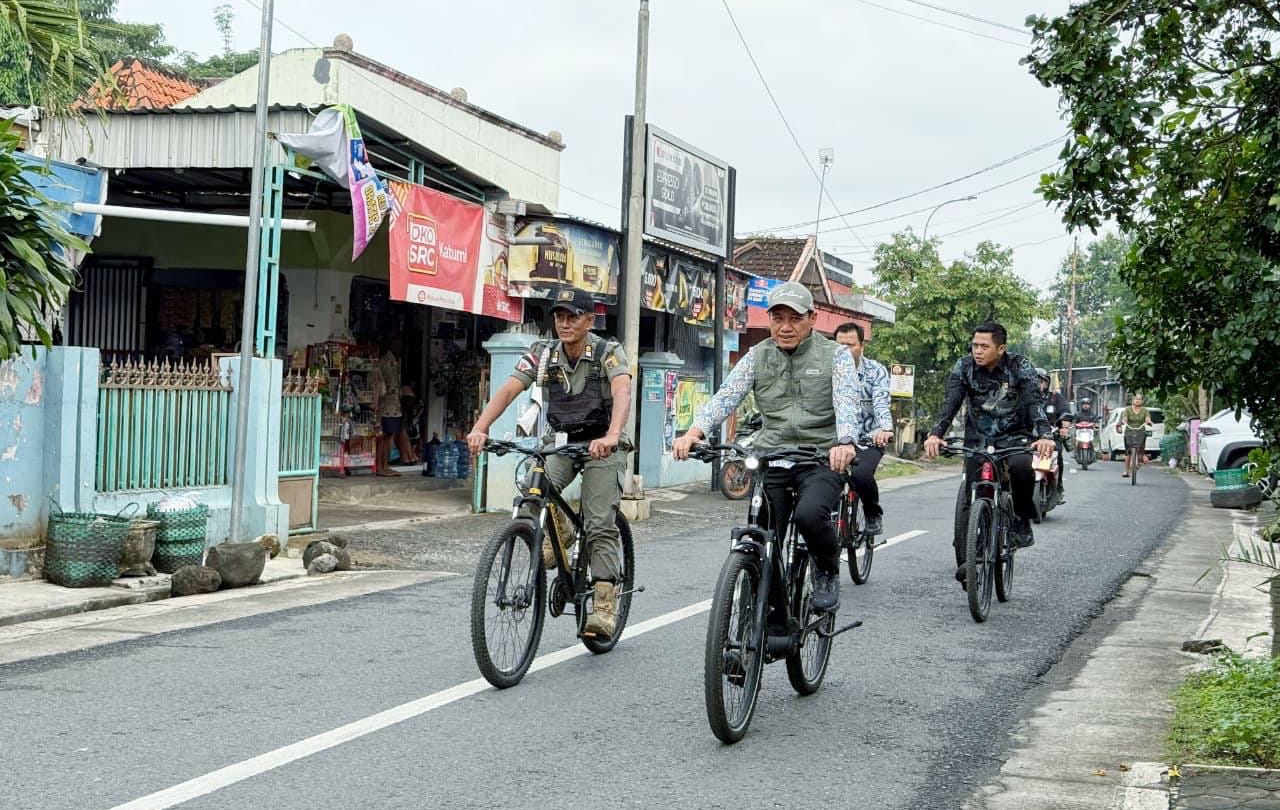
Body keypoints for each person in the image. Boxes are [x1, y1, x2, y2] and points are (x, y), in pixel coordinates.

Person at [673, 282, 860, 613]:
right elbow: (727, 395)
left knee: (809, 516)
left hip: (819, 456)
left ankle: (826, 569)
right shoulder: (757, 356)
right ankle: (769, 615)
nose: (785, 327)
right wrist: (695, 432)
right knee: (763, 533)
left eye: (794, 319)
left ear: (812, 319)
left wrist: (844, 442)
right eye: (778, 318)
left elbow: (847, 402)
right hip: (772, 455)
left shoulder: (837, 355)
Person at [466, 288, 632, 640]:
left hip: (603, 442)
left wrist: (613, 434)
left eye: (573, 316)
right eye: (559, 316)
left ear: (589, 320)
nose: (565, 323)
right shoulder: (542, 354)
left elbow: (622, 391)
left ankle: (604, 602)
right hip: (562, 440)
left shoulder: (608, 352)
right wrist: (481, 428)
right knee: (533, 487)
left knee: (599, 520)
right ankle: (560, 534)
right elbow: (509, 389)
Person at [922, 322, 1056, 586]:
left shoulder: (1020, 367)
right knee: (970, 492)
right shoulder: (964, 367)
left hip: (1015, 437)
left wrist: (1044, 435)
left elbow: (1033, 403)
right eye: (974, 345)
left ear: (1001, 348)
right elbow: (951, 403)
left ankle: (1021, 521)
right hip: (978, 438)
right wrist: (935, 434)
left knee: (1021, 468)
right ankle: (968, 555)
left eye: (984, 346)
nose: (977, 351)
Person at [834, 322, 894, 538]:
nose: (846, 351)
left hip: (868, 440)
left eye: (851, 345)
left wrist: (885, 428)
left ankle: (872, 513)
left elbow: (880, 402)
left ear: (862, 346)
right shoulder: (828, 368)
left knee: (860, 474)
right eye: (840, 346)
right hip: (835, 440)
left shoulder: (875, 371)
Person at [1036, 368, 1073, 501]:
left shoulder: (1055, 397)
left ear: (1046, 383)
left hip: (1052, 435)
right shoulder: (1024, 398)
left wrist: (1064, 427)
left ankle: (1059, 485)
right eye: (1035, 381)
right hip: (1029, 437)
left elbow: (1065, 412)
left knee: (1057, 454)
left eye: (1041, 381)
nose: (1038, 384)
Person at [374, 338, 404, 477]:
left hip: (394, 404)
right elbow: (381, 384)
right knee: (383, 436)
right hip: (386, 404)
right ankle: (380, 466)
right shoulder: (385, 362)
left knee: (389, 436)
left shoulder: (397, 361)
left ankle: (385, 465)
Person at [1120, 394, 1154, 478]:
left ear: (1142, 401)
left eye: (1139, 399)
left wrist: (1149, 422)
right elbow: (1125, 418)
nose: (1138, 401)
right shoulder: (1127, 409)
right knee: (1128, 452)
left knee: (1141, 449)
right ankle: (1126, 471)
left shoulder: (1144, 410)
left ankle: (1140, 459)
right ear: (1133, 400)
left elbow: (1147, 418)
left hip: (1140, 431)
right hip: (1129, 431)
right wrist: (1124, 421)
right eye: (1136, 399)